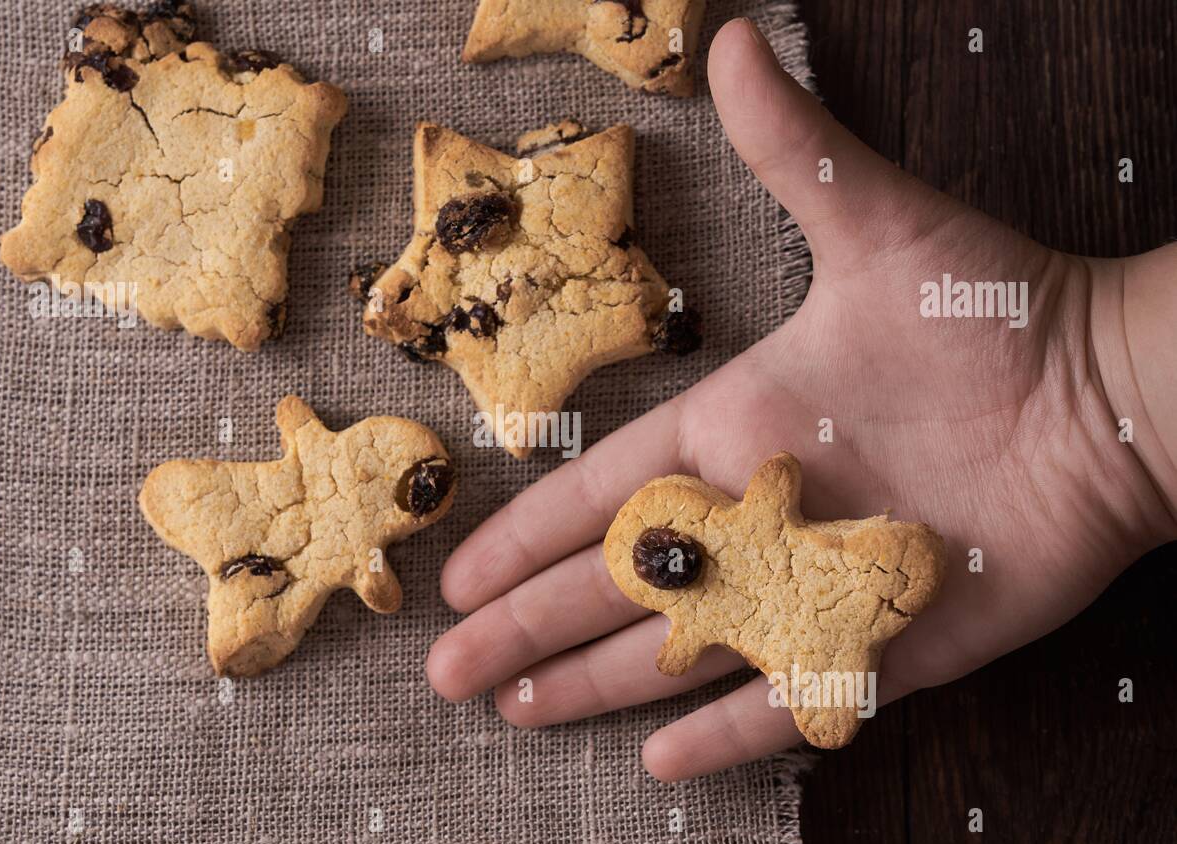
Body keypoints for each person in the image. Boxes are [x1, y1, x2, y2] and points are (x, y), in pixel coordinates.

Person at [426, 18, 1176, 780]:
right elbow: (701, 614)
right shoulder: (711, 595)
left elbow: (772, 495)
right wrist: (1112, 394)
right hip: (816, 634)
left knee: (870, 591)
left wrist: (1101, 374)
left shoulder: (745, 532)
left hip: (850, 586)